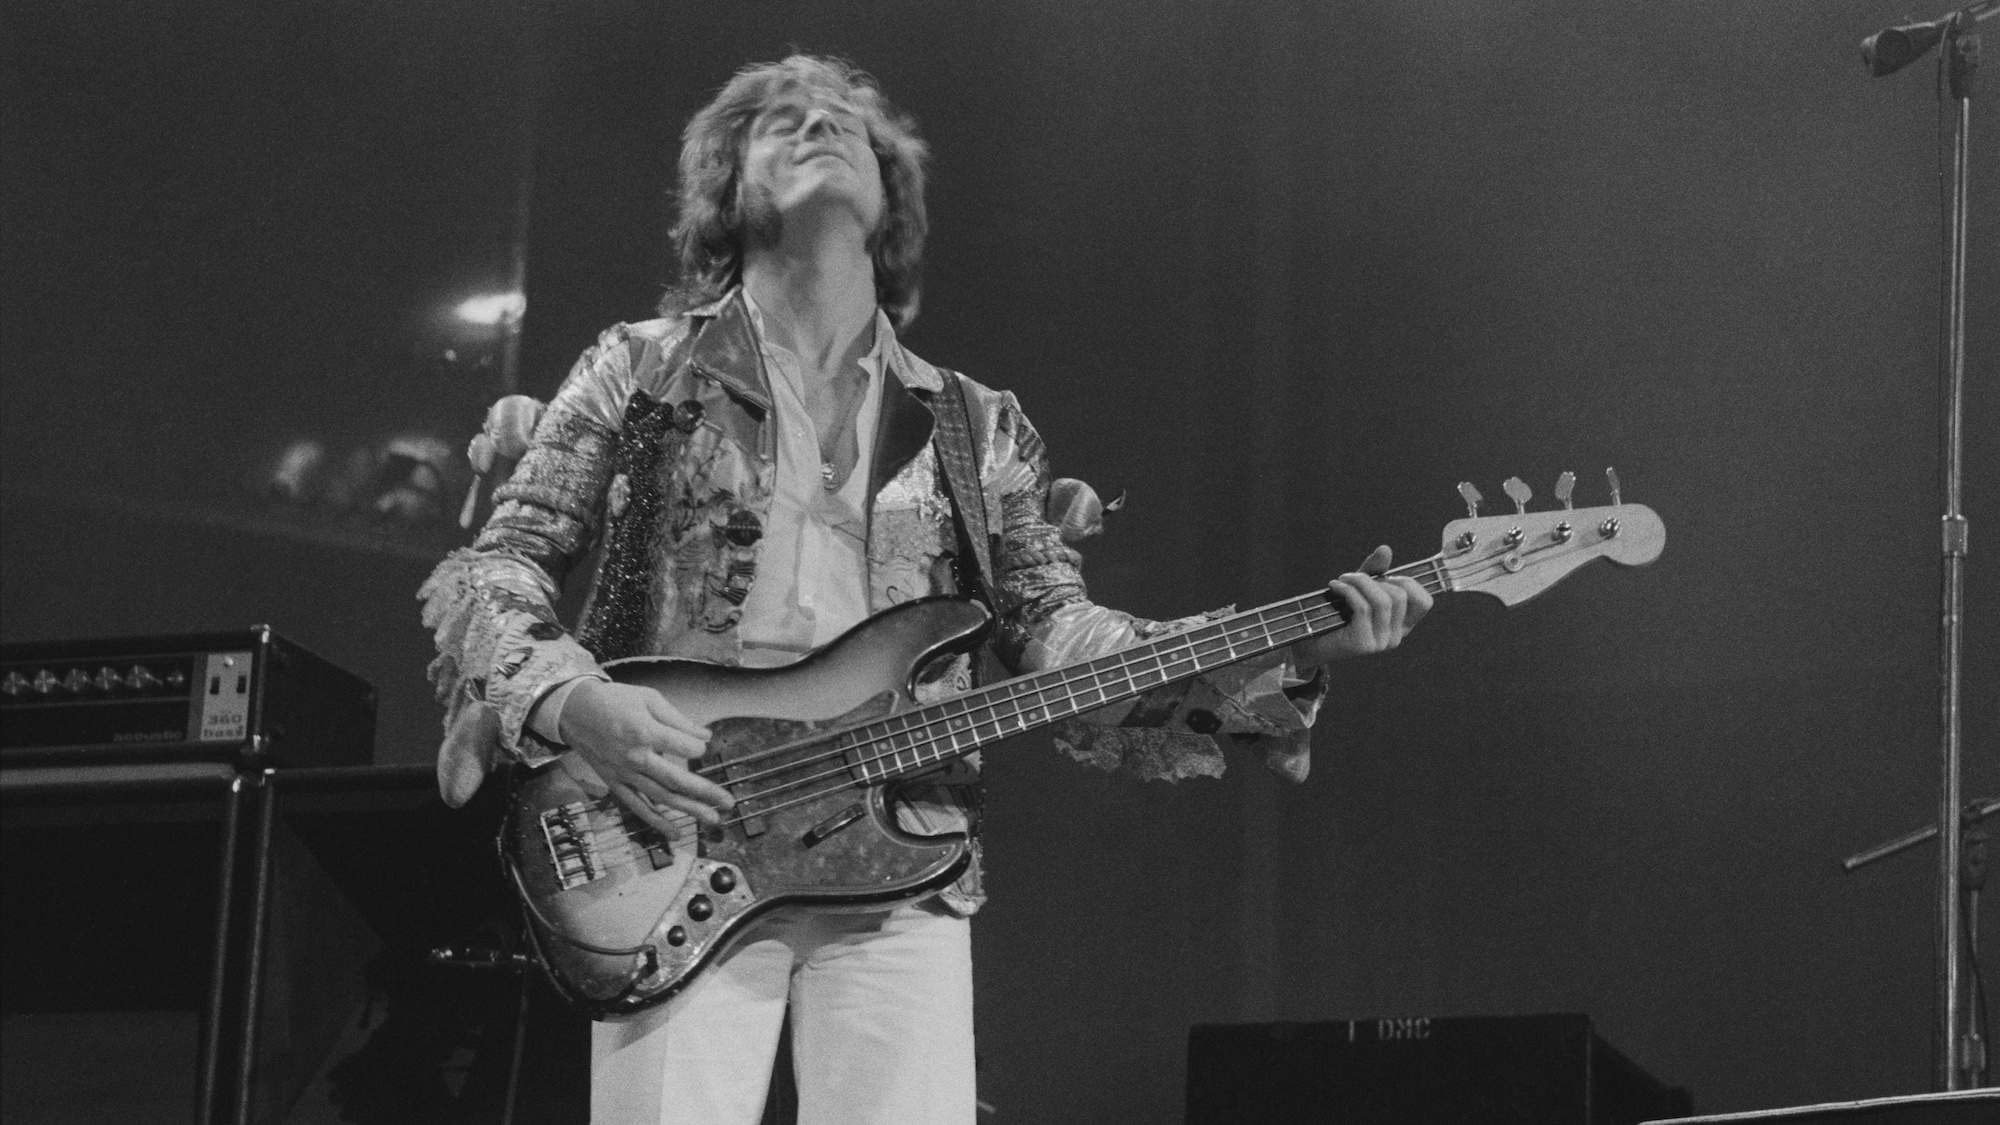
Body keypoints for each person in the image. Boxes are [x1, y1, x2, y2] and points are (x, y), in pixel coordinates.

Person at [418, 54, 1431, 1125]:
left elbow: (1057, 630)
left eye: (845, 124)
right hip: (665, 823)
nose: (818, 127)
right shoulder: (637, 369)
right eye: (781, 122)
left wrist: (1292, 649)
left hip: (901, 848)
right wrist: (579, 705)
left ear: (890, 195)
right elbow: (499, 562)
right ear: (726, 187)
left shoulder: (974, 422)